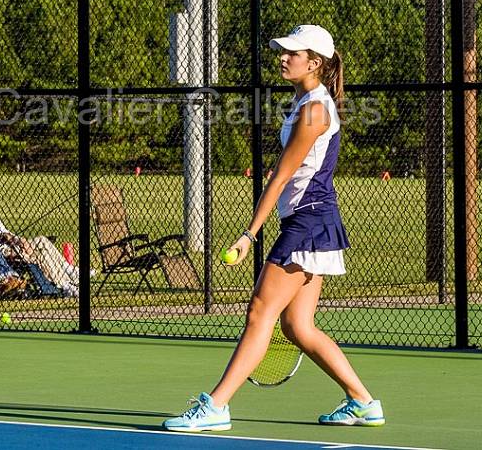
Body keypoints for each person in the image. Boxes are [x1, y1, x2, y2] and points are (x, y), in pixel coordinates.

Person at [163, 24, 383, 433]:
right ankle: (363, 401)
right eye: (282, 50)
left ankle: (216, 406)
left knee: (259, 312)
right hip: (313, 219)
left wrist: (249, 235)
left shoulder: (315, 109)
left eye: (292, 52)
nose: (283, 57)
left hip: (308, 221)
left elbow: (280, 177)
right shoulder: (304, 101)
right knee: (297, 326)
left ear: (314, 62)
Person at [0, 184, 78, 298]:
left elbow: (9, 234)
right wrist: (6, 237)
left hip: (12, 246)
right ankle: (66, 283)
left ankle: (68, 273)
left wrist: (21, 241)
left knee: (42, 241)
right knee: (42, 255)